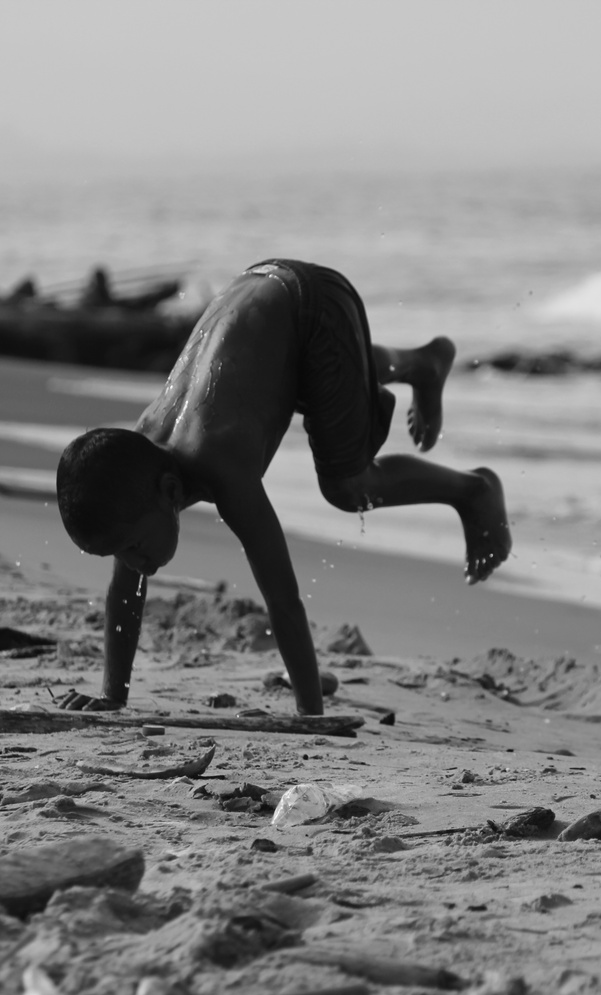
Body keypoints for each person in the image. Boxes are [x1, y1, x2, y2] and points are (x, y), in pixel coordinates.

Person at [54, 258, 511, 716]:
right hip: (259, 295)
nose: (135, 564)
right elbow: (125, 593)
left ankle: (474, 490)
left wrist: (309, 713)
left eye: (132, 547)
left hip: (313, 305)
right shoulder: (134, 469)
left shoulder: (220, 464)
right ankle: (421, 364)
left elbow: (283, 598)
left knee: (348, 487)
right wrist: (114, 696)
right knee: (330, 373)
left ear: (172, 493)